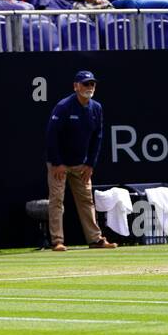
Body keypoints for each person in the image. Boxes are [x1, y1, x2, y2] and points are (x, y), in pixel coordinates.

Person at [45, 71, 117, 252]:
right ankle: (57, 241)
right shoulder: (63, 107)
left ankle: (95, 239)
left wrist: (90, 164)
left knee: (87, 201)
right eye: (85, 84)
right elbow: (51, 136)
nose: (89, 88)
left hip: (81, 164)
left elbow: (97, 137)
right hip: (59, 164)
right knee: (57, 201)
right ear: (75, 86)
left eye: (92, 84)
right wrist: (57, 162)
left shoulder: (96, 108)